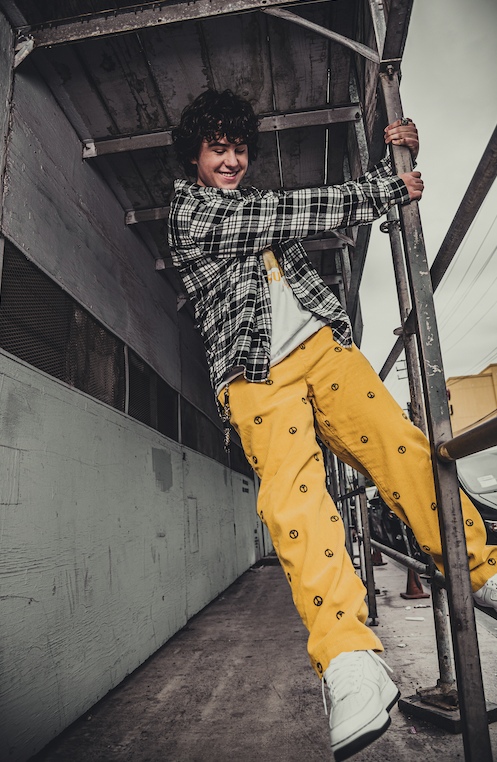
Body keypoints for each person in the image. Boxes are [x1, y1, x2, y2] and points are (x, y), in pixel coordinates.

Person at [168, 89, 497, 761]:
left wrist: (393, 157)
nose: (230, 161)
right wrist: (382, 187)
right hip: (254, 374)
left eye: (239, 149)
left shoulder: (256, 203)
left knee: (404, 448)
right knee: (295, 502)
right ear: (194, 158)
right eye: (217, 150)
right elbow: (291, 211)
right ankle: (350, 659)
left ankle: (482, 569)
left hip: (322, 348)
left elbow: (315, 214)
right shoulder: (191, 211)